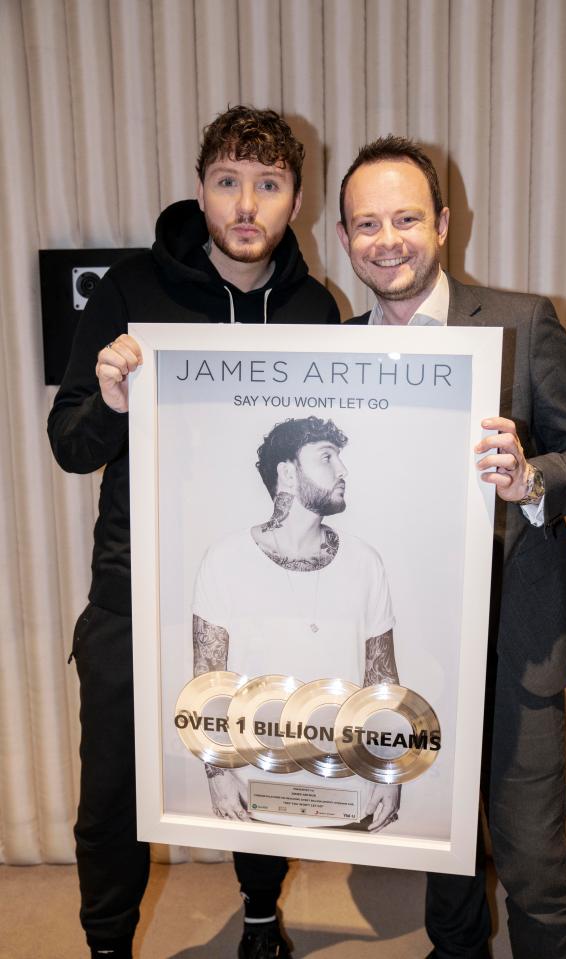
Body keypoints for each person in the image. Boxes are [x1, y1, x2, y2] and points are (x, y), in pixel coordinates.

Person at [47, 105, 339, 959]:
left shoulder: (315, 309)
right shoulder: (130, 291)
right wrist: (106, 398)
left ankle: (259, 918)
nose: (247, 205)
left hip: (264, 594)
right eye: (227, 182)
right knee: (112, 792)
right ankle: (107, 945)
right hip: (135, 591)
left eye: (269, 185)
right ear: (201, 190)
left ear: (294, 199)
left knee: (260, 761)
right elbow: (70, 444)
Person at [337, 135, 566, 959]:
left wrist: (530, 479)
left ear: (445, 223)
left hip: (516, 637)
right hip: (404, 647)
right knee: (438, 854)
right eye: (366, 224)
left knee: (532, 865)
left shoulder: (525, 324)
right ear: (346, 238)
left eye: (407, 218)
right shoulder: (334, 354)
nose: (388, 240)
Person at [190, 415, 401, 956]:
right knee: (255, 836)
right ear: (287, 475)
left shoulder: (365, 562)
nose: (343, 470)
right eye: (327, 456)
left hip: (338, 758)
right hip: (257, 753)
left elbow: (382, 676)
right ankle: (258, 918)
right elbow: (208, 679)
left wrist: (388, 770)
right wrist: (217, 769)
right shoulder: (225, 559)